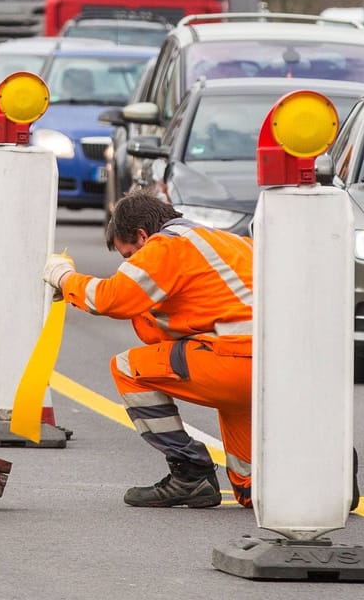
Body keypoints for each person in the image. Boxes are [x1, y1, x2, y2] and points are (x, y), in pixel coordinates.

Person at [43, 191, 253, 508]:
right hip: (273, 364)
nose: (131, 264)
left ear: (142, 236)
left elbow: (110, 298)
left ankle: (190, 473)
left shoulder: (166, 246)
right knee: (251, 490)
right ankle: (301, 478)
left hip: (235, 361)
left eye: (129, 256)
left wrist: (63, 279)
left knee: (128, 368)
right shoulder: (226, 242)